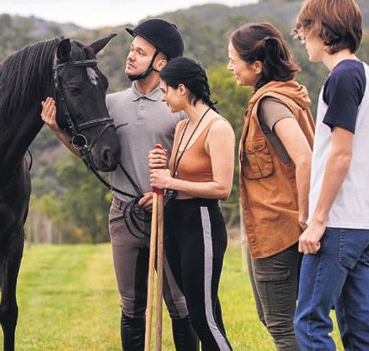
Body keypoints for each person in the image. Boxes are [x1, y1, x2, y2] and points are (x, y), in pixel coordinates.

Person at [42, 19, 198, 350]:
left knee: (180, 306)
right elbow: (91, 154)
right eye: (131, 49)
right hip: (123, 217)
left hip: (169, 216)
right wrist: (58, 130)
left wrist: (169, 192)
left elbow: (199, 164)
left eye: (140, 52)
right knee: (131, 308)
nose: (130, 56)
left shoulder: (179, 106)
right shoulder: (111, 105)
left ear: (161, 62)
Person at [292, 0, 369, 350]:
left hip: (339, 224)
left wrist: (317, 221)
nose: (302, 37)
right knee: (360, 329)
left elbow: (341, 155)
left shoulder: (343, 77)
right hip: (365, 224)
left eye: (305, 28)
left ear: (324, 29)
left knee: (311, 322)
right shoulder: (367, 75)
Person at [227, 23, 314, 350]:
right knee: (278, 319)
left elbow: (304, 158)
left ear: (258, 66)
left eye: (234, 60)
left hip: (279, 229)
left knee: (281, 325)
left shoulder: (270, 103)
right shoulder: (288, 94)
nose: (230, 67)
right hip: (273, 229)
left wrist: (305, 216)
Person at [148, 56, 235, 350]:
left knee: (201, 317)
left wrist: (170, 182)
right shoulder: (183, 128)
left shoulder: (218, 128)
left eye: (165, 90)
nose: (163, 98)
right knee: (202, 312)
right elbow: (176, 176)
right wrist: (162, 174)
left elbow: (222, 188)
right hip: (177, 220)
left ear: (182, 89)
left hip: (202, 223)